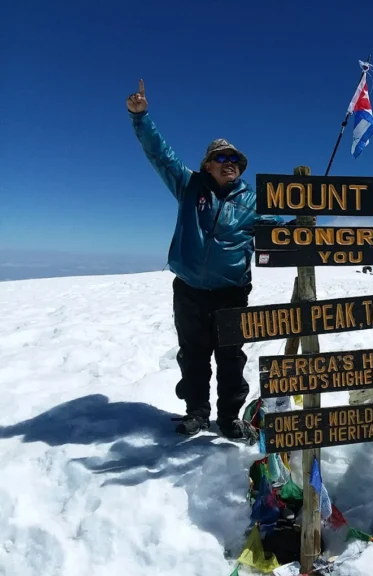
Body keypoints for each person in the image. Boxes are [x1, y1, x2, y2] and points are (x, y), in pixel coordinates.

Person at [126, 79, 287, 439]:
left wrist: (303, 224)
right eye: (221, 158)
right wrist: (141, 118)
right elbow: (160, 154)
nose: (229, 163)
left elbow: (280, 231)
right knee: (193, 355)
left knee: (231, 359)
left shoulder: (254, 201)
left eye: (234, 159)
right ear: (208, 165)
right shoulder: (190, 186)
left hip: (231, 293)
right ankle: (196, 412)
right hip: (190, 291)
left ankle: (230, 419)